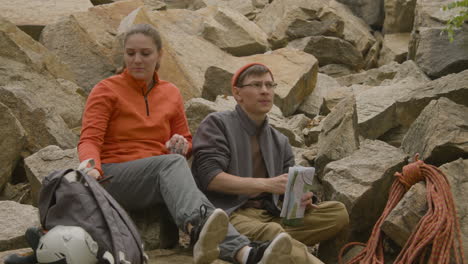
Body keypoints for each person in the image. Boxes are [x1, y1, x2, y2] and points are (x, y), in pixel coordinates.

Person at [78, 24, 292, 264]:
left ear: (159, 55)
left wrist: (182, 144)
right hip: (112, 176)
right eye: (130, 53)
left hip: (157, 176)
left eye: (145, 53)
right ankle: (199, 229)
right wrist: (91, 167)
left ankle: (246, 254)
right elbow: (89, 139)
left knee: (175, 160)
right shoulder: (105, 90)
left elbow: (188, 141)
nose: (137, 59)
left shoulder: (171, 93)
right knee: (171, 164)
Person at [191, 63, 350, 264]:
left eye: (269, 85)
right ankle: (285, 251)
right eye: (257, 85)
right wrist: (266, 184)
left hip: (270, 214)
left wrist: (302, 201)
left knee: (337, 212)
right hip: (229, 215)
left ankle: (272, 247)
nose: (265, 91)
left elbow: (284, 195)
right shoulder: (217, 124)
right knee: (274, 232)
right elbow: (210, 178)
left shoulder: (280, 140)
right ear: (237, 93)